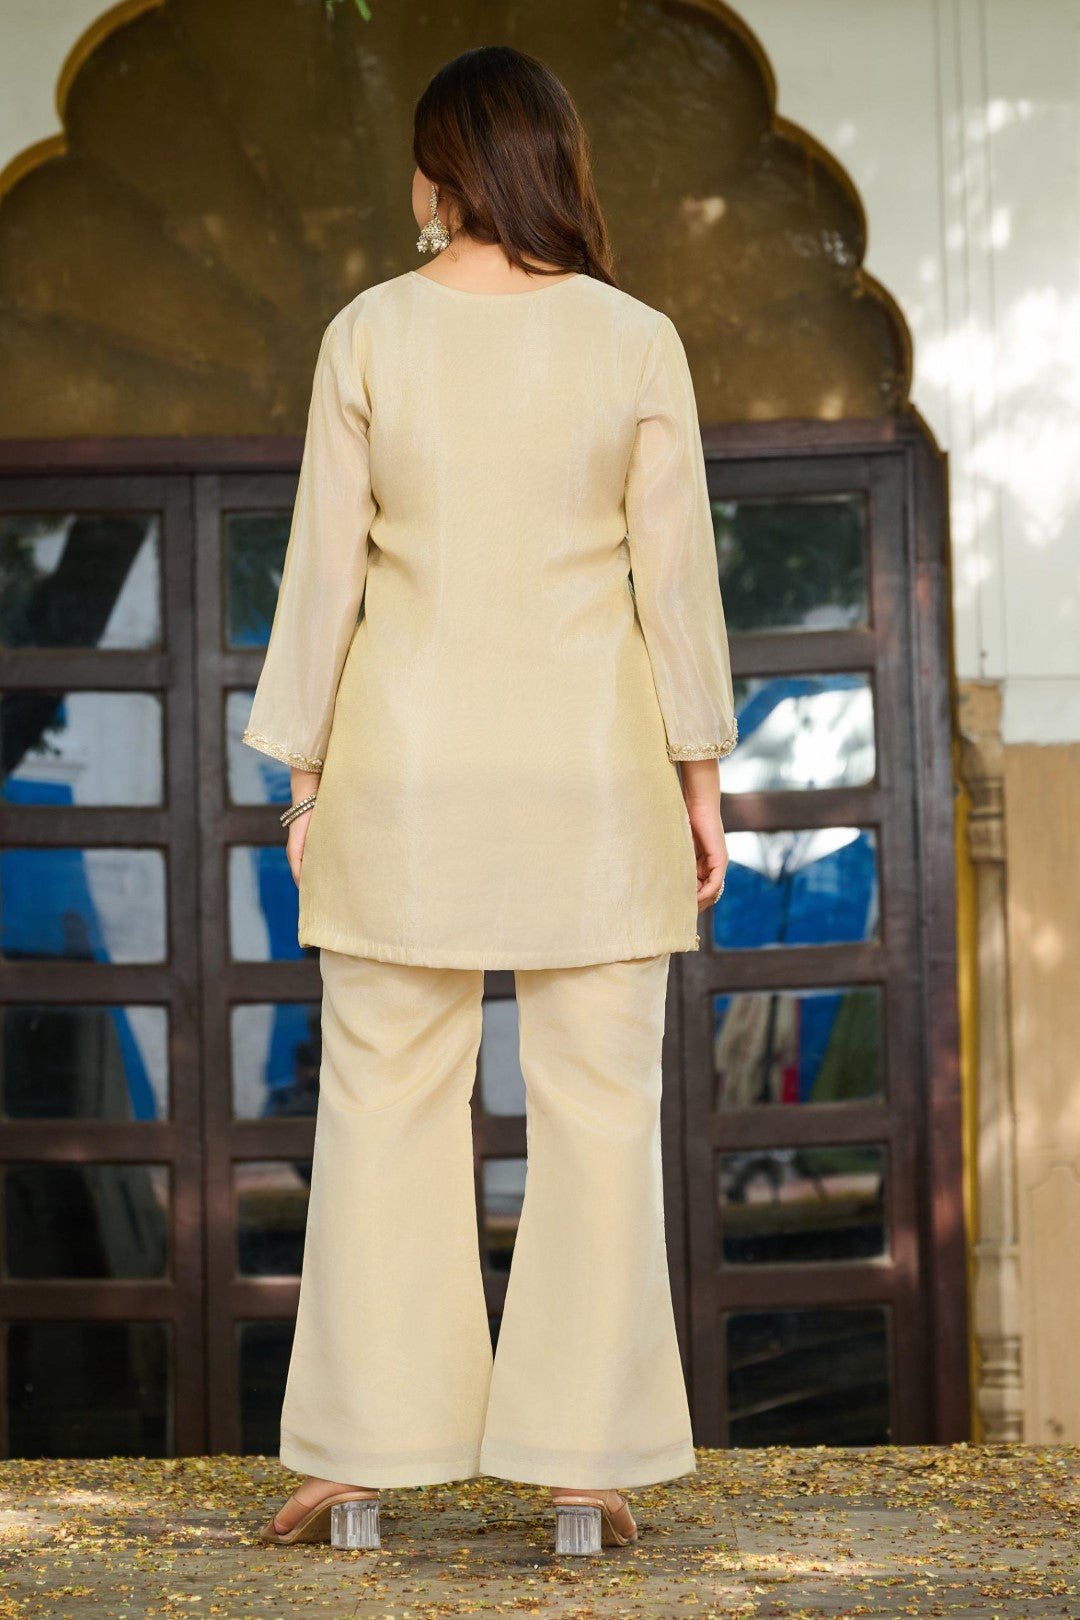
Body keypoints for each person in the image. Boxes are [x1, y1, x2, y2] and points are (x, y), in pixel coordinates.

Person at [245, 43, 736, 1555]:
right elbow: (675, 585)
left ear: (438, 172)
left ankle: (360, 1463)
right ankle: (586, 1469)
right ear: (556, 164)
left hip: (406, 773)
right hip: (594, 777)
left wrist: (306, 779)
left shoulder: (367, 334)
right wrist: (703, 782)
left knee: (383, 1105)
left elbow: (325, 572)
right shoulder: (637, 340)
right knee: (599, 1114)